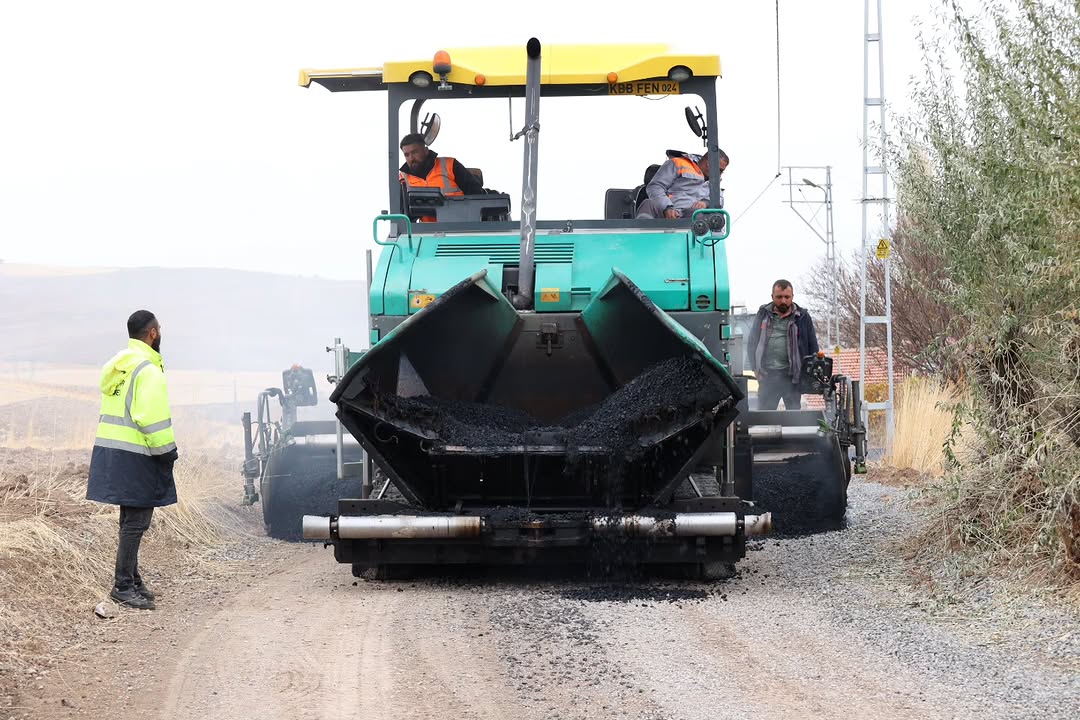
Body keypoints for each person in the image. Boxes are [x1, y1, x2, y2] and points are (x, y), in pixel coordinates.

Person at [87, 310, 178, 610]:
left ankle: (133, 580)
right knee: (136, 522)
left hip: (114, 453)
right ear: (152, 333)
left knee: (130, 520)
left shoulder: (122, 365)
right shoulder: (148, 370)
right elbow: (150, 418)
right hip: (138, 454)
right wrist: (168, 451)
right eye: (159, 329)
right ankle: (123, 586)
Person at [746, 280, 820, 411]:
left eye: (787, 297)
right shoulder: (763, 314)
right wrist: (755, 370)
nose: (783, 301)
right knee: (764, 417)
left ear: (792, 297)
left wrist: (808, 374)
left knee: (794, 417)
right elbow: (752, 341)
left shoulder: (803, 317)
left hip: (792, 377)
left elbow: (813, 346)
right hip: (768, 375)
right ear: (772, 297)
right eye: (779, 297)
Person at [398, 133, 484, 213]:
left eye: (414, 152)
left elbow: (476, 195)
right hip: (427, 224)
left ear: (426, 151)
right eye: (407, 155)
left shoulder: (451, 165)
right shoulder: (403, 178)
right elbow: (402, 212)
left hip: (460, 221)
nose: (411, 158)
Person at [636, 148, 729, 219]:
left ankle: (695, 238)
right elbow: (656, 186)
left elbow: (719, 200)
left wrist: (706, 202)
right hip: (668, 210)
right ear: (709, 164)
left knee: (701, 215)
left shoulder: (715, 182)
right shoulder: (678, 163)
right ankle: (642, 235)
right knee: (648, 204)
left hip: (692, 215)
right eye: (720, 170)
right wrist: (667, 207)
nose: (720, 174)